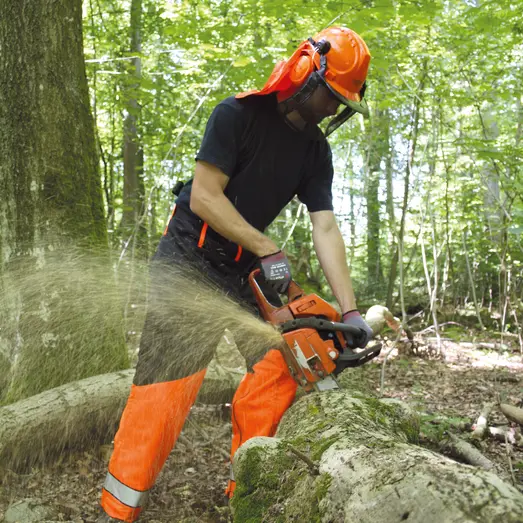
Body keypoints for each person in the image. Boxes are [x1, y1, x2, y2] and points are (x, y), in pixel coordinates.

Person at [99, 26, 374, 522]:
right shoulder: (237, 115)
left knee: (281, 363)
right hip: (189, 258)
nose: (334, 110)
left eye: (343, 102)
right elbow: (205, 196)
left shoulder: (316, 152)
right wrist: (267, 245)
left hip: (246, 269)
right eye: (332, 98)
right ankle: (117, 509)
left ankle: (247, 491)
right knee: (167, 388)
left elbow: (326, 226)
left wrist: (350, 310)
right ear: (305, 73)